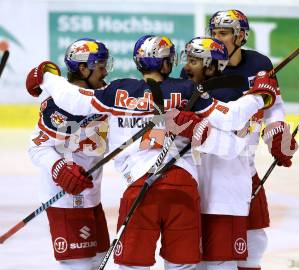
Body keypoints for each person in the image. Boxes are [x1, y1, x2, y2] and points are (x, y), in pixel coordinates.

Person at [26, 34, 279, 270]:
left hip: (139, 189)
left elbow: (73, 98)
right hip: (183, 190)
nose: (105, 70)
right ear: (168, 63)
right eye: (101, 65)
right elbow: (232, 119)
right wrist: (259, 97)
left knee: (131, 265)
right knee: (183, 265)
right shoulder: (187, 91)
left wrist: (46, 77)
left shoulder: (117, 91)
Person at [206, 10, 298, 270]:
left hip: (245, 163)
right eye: (214, 33)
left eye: (223, 33)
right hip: (211, 165)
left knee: (256, 238)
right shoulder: (204, 63)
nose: (216, 38)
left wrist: (277, 132)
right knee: (216, 245)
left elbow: (274, 105)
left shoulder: (259, 63)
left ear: (240, 35)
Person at [181, 36, 272, 270]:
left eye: (194, 61)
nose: (186, 66)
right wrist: (258, 97)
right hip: (193, 194)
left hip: (224, 196)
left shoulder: (234, 96)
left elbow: (234, 145)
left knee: (223, 262)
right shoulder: (187, 90)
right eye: (187, 59)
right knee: (193, 263)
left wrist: (257, 99)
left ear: (212, 66)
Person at [27, 38, 112, 270]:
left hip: (92, 196)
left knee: (98, 260)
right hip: (64, 199)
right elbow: (36, 147)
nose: (105, 72)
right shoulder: (58, 106)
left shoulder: (103, 94)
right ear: (83, 69)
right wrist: (59, 167)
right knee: (79, 265)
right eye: (101, 66)